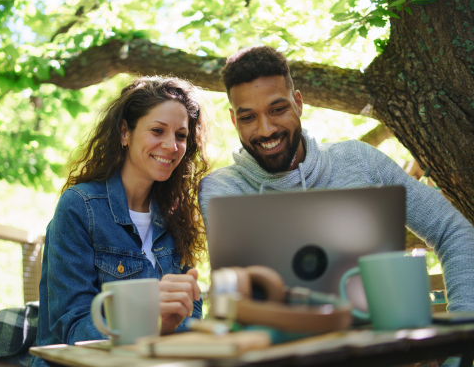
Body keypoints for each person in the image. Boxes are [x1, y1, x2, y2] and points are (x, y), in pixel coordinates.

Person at [198, 45, 474, 312]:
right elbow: (238, 299)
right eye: (248, 117)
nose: (266, 129)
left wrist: (463, 331)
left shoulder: (360, 160)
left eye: (277, 109)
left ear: (298, 103)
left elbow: (453, 231)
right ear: (235, 121)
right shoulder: (223, 190)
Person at [33, 76, 209, 365]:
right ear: (124, 132)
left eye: (180, 135)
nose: (171, 145)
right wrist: (148, 319)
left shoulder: (177, 216)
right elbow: (73, 328)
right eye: (157, 130)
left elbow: (190, 317)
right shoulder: (80, 207)